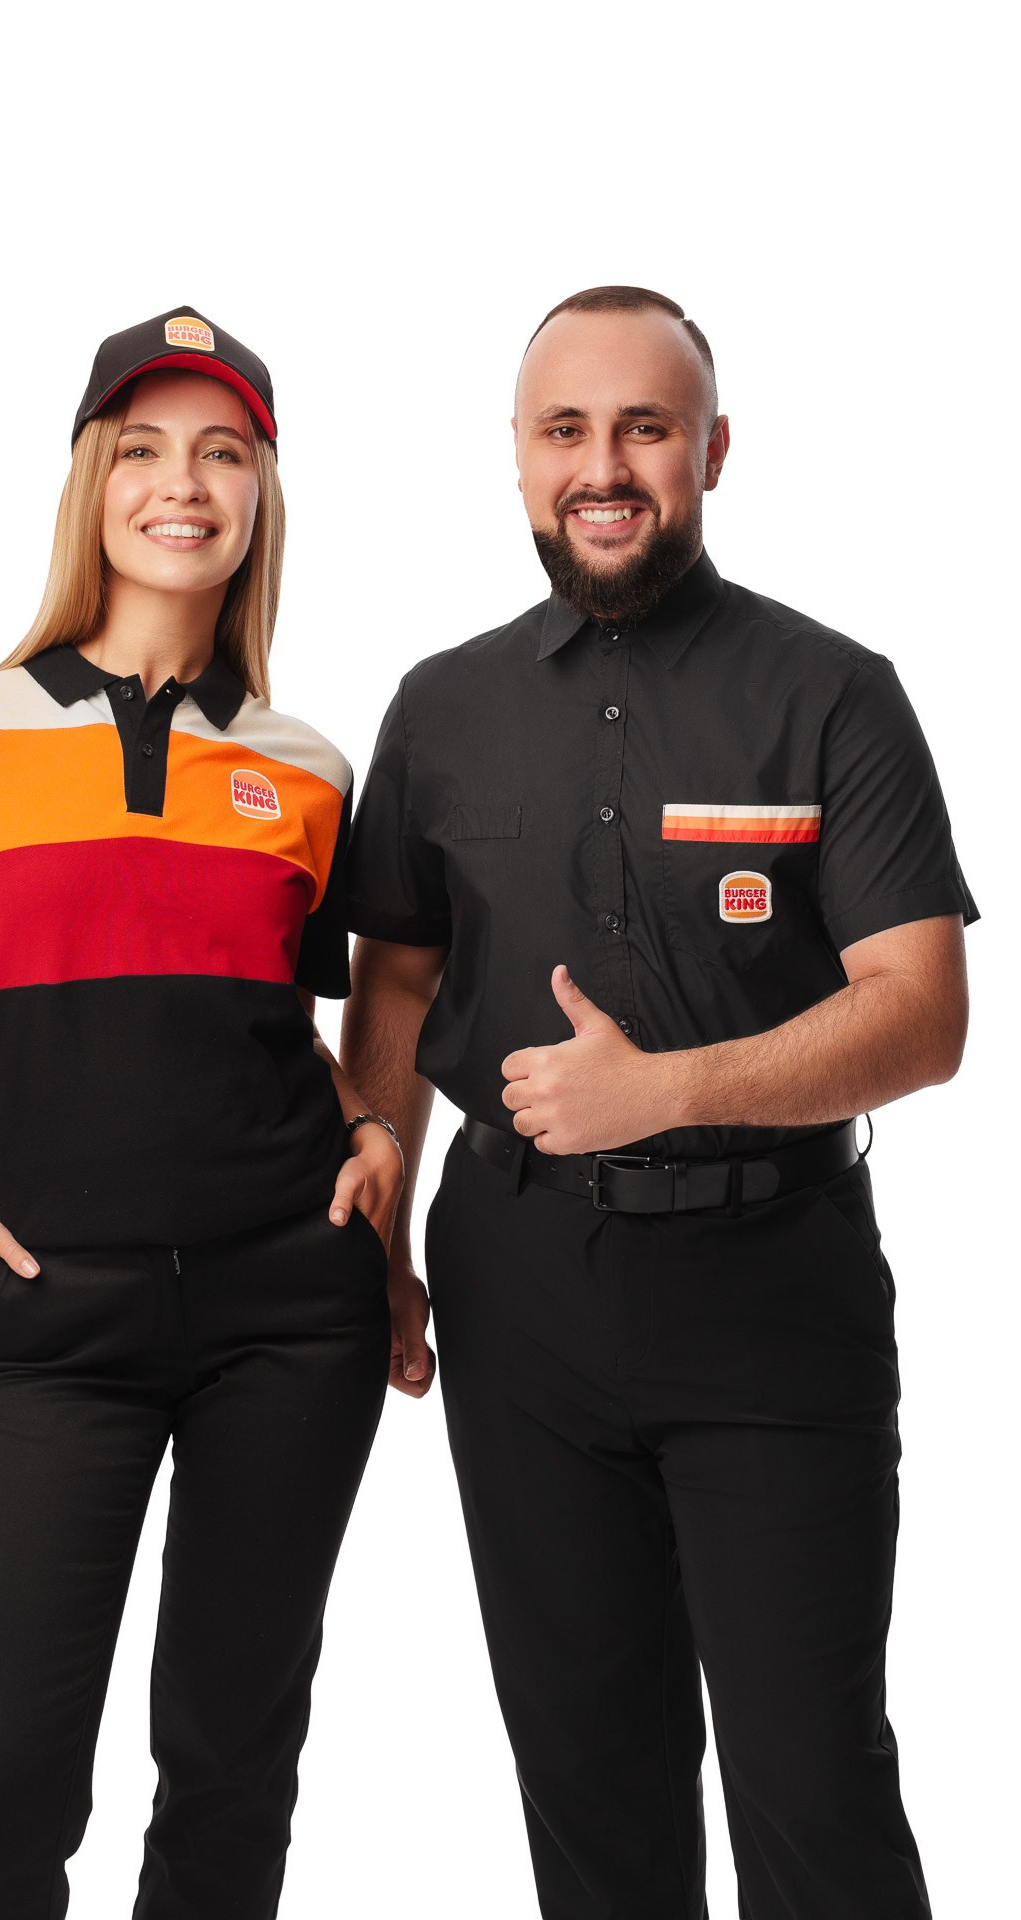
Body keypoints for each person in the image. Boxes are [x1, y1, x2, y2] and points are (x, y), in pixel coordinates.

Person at [342, 285, 974, 1918]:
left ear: (711, 449)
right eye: (567, 430)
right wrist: (388, 1227)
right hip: (524, 1291)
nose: (603, 465)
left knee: (813, 1783)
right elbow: (396, 985)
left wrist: (661, 1091)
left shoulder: (835, 692)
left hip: (776, 1290)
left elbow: (922, 1017)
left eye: (643, 426)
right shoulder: (439, 706)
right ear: (519, 458)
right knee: (590, 1783)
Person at [0, 305, 401, 1919]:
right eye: (143, 450)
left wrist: (375, 1136)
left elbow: (302, 1018)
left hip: (292, 1309)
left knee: (231, 1770)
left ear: (262, 493)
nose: (182, 485)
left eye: (223, 453)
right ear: (92, 483)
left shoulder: (310, 767)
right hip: (51, 1312)